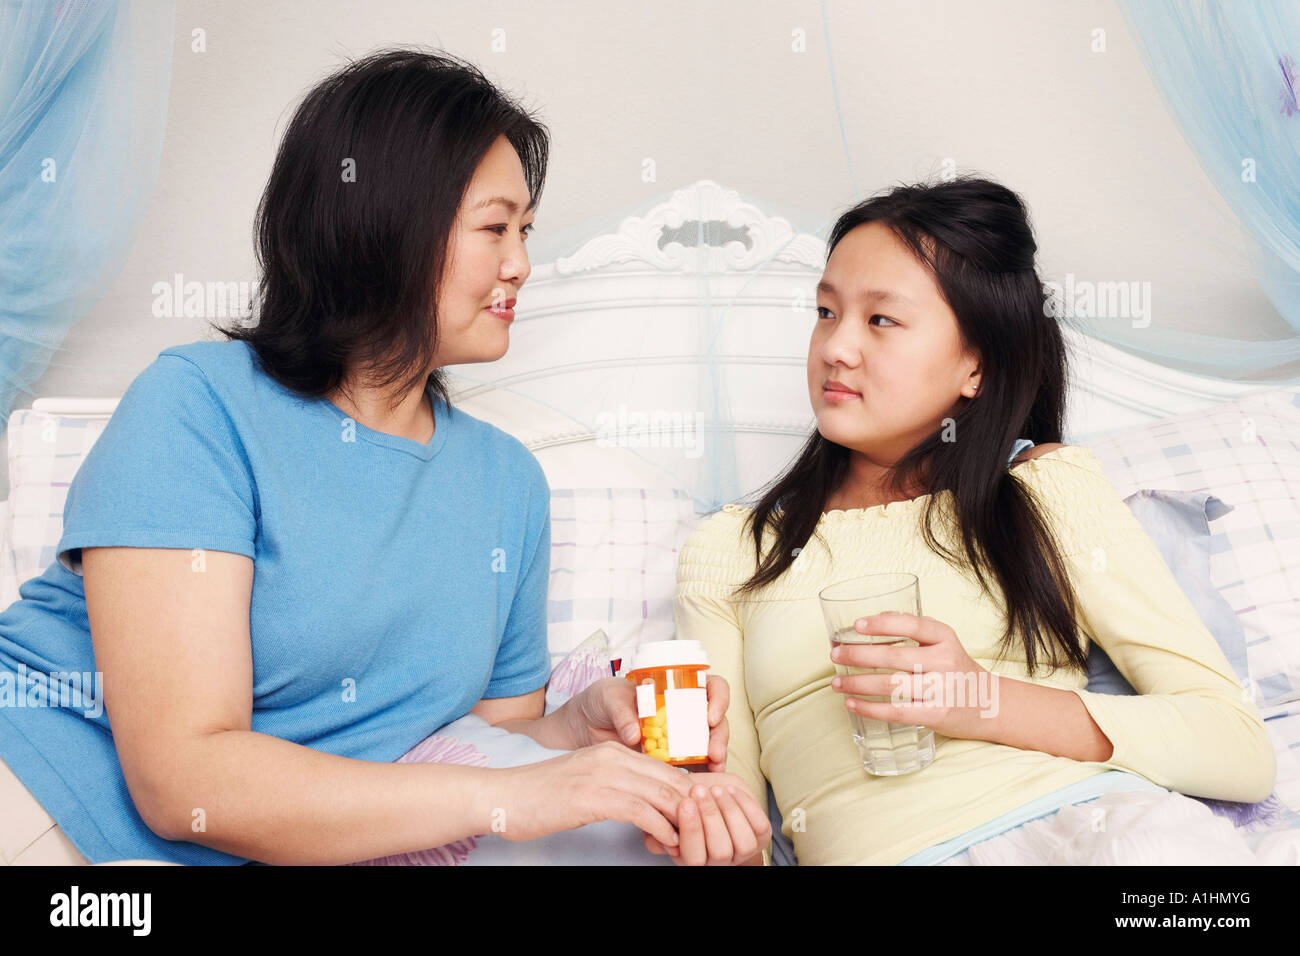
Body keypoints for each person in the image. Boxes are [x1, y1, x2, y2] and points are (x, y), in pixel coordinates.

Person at [0, 48, 769, 867]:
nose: (521, 264)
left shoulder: (508, 483)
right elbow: (185, 778)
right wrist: (517, 794)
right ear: (389, 225)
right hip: (52, 814)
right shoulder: (198, 408)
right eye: (496, 228)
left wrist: (575, 734)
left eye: (527, 231)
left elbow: (477, 749)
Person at [664, 176, 1276, 866]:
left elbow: (1237, 746)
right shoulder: (733, 549)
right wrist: (708, 830)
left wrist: (978, 699)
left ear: (976, 365)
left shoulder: (1042, 489)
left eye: (881, 320)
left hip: (1098, 834)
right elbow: (728, 818)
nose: (836, 348)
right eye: (826, 312)